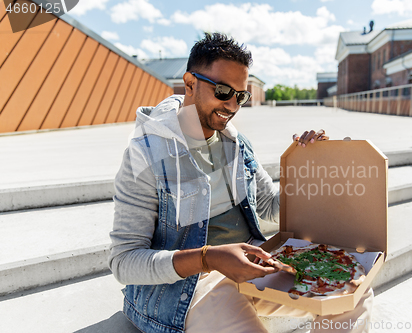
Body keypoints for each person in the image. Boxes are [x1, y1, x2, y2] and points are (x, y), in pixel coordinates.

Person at [109, 32, 372, 333]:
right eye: (222, 91)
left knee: (352, 294)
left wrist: (308, 168)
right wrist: (209, 258)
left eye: (241, 95)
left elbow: (271, 207)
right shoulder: (146, 153)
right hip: (189, 288)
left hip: (253, 263)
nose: (232, 105)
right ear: (190, 83)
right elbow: (124, 261)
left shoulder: (236, 143)